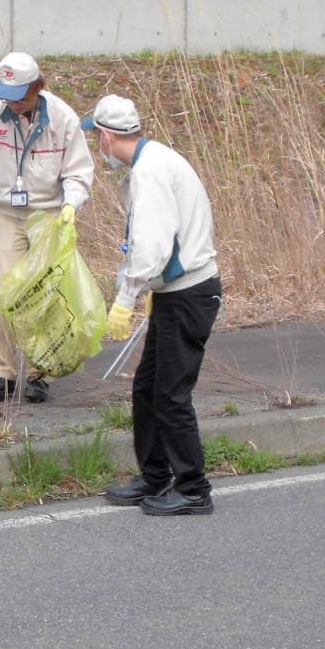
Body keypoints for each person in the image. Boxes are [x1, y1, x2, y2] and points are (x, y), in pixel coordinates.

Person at [82, 95, 222, 515]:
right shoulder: (153, 161)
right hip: (174, 293)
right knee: (147, 389)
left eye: (97, 137)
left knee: (171, 395)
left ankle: (195, 489)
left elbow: (151, 246)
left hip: (189, 295)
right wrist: (152, 290)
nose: (97, 146)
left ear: (106, 137)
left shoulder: (151, 171)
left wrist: (127, 297)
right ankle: (155, 476)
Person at [0, 52, 95, 403]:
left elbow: (79, 172)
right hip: (8, 214)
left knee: (45, 298)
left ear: (38, 88)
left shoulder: (63, 119)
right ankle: (3, 374)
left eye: (20, 95)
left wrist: (71, 205)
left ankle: (41, 374)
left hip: (49, 214)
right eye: (6, 94)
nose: (13, 102)